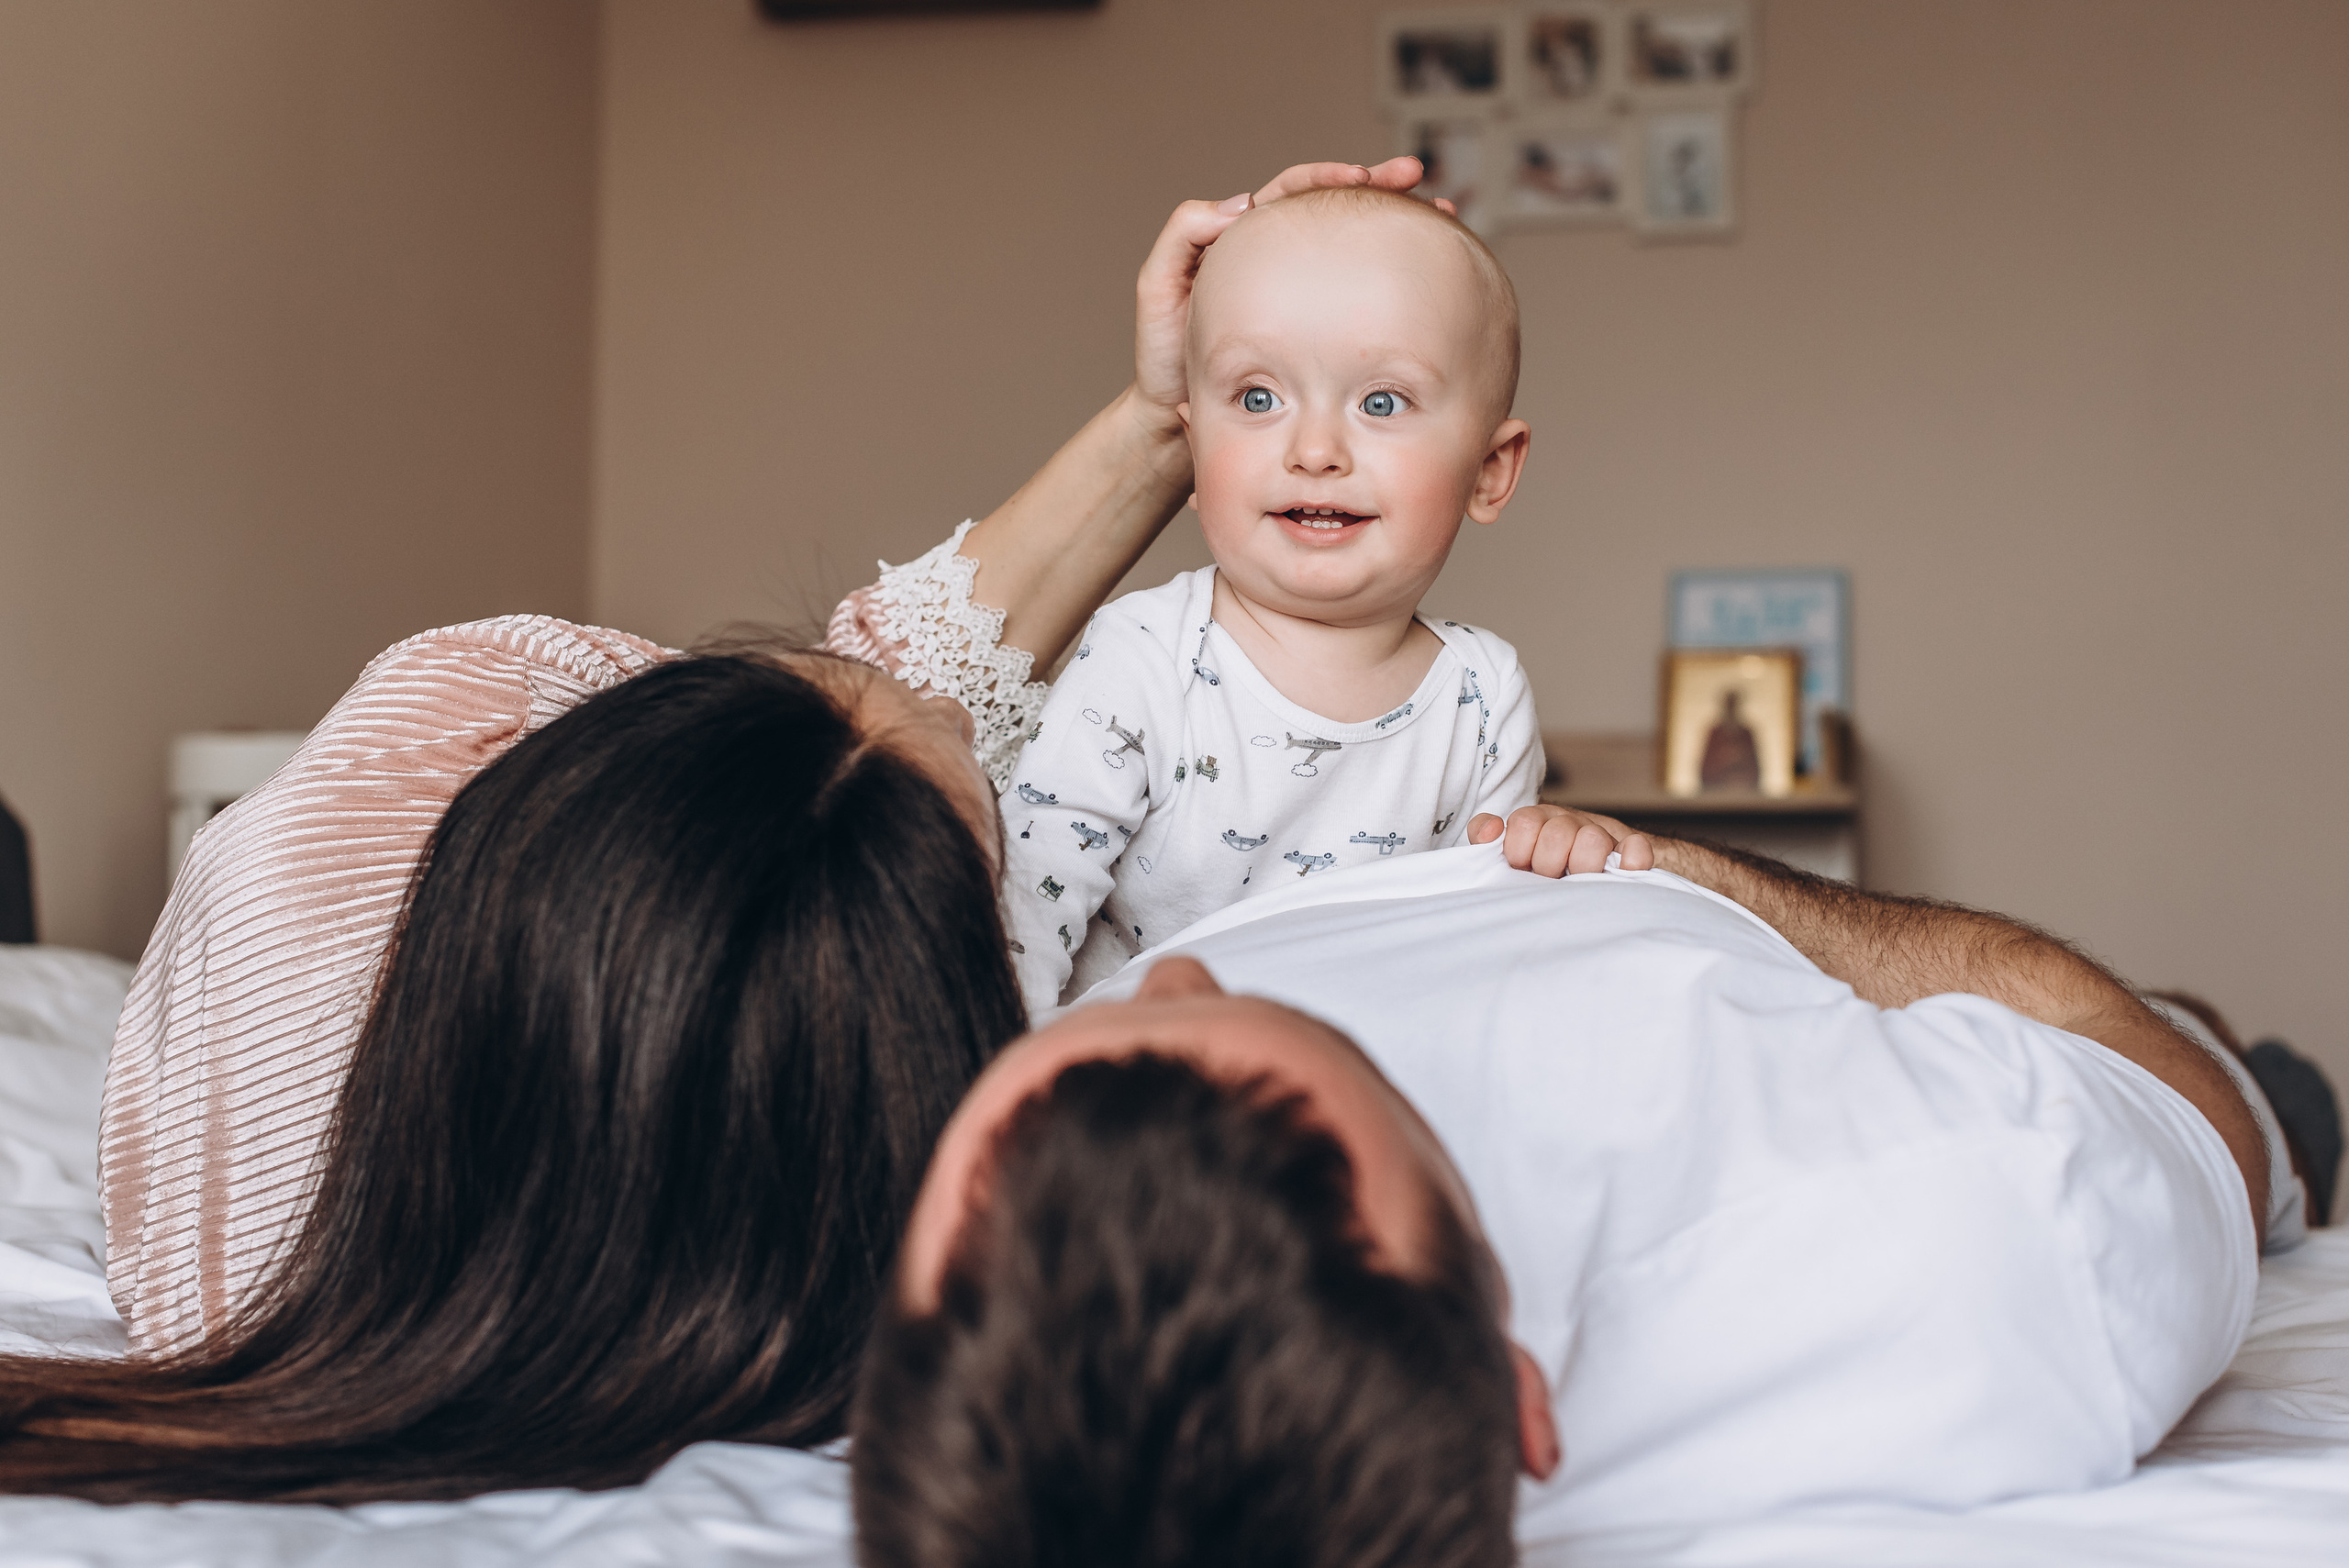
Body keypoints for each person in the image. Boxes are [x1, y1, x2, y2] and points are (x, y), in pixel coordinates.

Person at [3, 157, 1647, 1505]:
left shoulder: (409, 772)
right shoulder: (889, 1274)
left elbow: (886, 688)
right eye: (993, 833)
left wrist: (1180, 411)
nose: (965, 707)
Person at [852, 824, 2292, 1562]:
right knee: (2249, 1068)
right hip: (2055, 1027)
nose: (1167, 972)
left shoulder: (860, 1255)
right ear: (1523, 1403)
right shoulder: (1970, 1214)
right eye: (1281, 1038)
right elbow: (2164, 1088)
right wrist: (1721, 885)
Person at [999, 187, 1543, 1015]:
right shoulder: (1145, 656)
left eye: (1381, 402)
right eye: (1258, 398)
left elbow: (1491, 963)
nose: (1315, 450)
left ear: (1489, 471)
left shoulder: (1484, 696)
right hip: (1135, 1078)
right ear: (1193, 449)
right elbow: (1023, 928)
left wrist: (1562, 864)